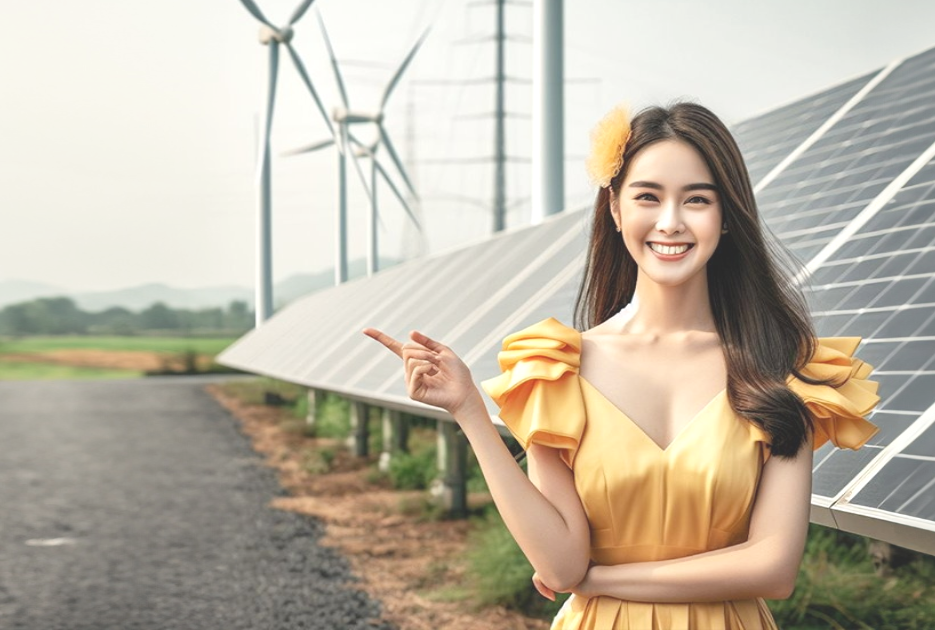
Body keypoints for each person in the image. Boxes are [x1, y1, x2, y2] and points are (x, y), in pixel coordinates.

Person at [365, 101, 881, 628]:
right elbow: (561, 562)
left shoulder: (784, 368)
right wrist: (471, 412)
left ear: (726, 216)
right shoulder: (555, 369)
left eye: (697, 199)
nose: (671, 222)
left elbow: (773, 568)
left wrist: (603, 580)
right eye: (648, 197)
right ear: (615, 210)